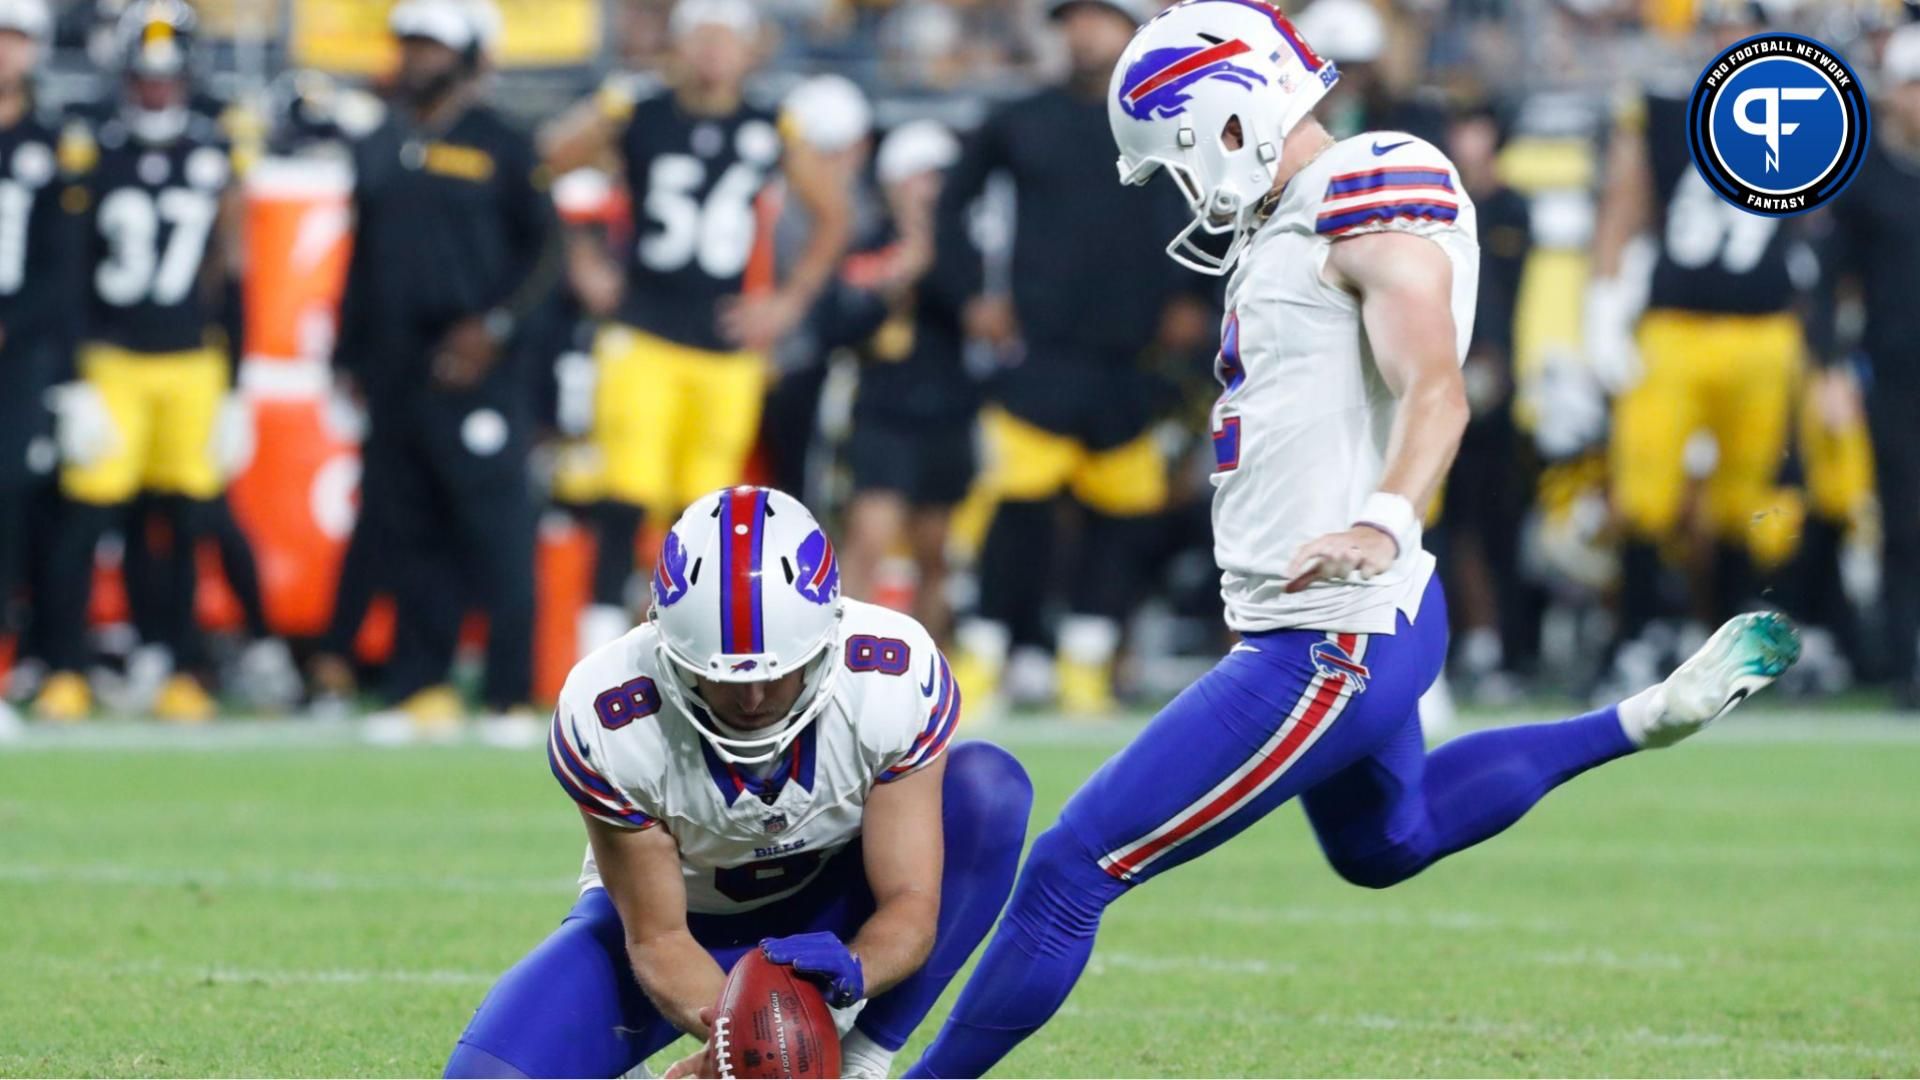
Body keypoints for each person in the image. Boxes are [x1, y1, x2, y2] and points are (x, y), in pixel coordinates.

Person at [904, 3, 1801, 1074]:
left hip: (1326, 637)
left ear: (1228, 121)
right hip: (1364, 619)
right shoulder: (1294, 216)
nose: (1183, 193)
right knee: (1387, 843)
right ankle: (1642, 718)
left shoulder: (1365, 183)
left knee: (1067, 871)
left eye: (1177, 160)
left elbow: (1435, 386)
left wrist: (1382, 516)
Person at [444, 486, 1033, 1080]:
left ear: (827, 638)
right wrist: (747, 1044)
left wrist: (859, 967)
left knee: (988, 790)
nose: (751, 698)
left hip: (832, 912)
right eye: (719, 675)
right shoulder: (610, 711)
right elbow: (658, 936)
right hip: (685, 923)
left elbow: (910, 902)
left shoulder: (890, 673)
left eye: (776, 673)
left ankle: (863, 1061)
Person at [541, 0, 853, 659]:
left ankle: (689, 653)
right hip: (642, 329)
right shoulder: (635, 110)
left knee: (706, 516)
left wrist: (788, 302)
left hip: (726, 343)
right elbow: (542, 168)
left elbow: (833, 216)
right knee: (625, 491)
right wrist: (582, 259)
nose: (714, 52)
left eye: (726, 39)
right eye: (702, 37)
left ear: (750, 49)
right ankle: (598, 653)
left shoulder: (774, 122)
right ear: (678, 45)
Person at [942, 0, 1210, 717]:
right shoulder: (1021, 119)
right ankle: (986, 658)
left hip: (1135, 358)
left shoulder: (1173, 121)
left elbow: (1223, 206)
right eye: (1075, 19)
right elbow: (951, 204)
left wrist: (1197, 297)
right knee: (1015, 514)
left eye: (1102, 17)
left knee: (1121, 522)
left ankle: (1085, 666)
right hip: (1042, 352)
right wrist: (972, 293)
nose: (1087, 32)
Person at [331, 0, 557, 742]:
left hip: (478, 370)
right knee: (409, 527)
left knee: (495, 528)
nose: (416, 57)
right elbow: (363, 258)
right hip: (396, 366)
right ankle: (418, 684)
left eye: (431, 45)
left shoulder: (503, 143)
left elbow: (549, 254)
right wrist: (348, 352)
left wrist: (493, 329)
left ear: (466, 55)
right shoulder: (383, 140)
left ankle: (508, 693)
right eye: (409, 44)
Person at [1585, 0, 1816, 695]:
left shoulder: (1806, 100)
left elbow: (1830, 220)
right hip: (1674, 325)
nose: (1728, 38)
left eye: (1741, 26)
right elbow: (1626, 198)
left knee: (1756, 497)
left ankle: (1743, 643)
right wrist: (1603, 301)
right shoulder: (1663, 103)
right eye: (1717, 26)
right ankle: (1637, 636)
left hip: (1765, 327)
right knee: (1643, 490)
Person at [34, 0, 246, 724]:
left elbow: (231, 267)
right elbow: (65, 270)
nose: (156, 87)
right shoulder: (92, 144)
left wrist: (236, 382)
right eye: (145, 74)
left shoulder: (216, 144)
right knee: (86, 519)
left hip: (191, 360)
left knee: (184, 521)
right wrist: (69, 379)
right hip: (112, 358)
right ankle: (63, 663)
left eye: (167, 74)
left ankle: (177, 663)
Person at [1811, 21, 1920, 708]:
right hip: (1897, 371)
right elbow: (1826, 280)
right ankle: (1904, 658)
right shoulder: (1870, 176)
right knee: (1906, 520)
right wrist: (1829, 366)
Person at [840, 120, 972, 645]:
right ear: (894, 182)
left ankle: (928, 671)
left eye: (940, 177)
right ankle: (842, 659)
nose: (932, 189)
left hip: (948, 411)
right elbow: (840, 325)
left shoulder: (964, 250)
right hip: (884, 412)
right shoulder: (867, 245)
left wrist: (934, 262)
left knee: (936, 552)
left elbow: (982, 319)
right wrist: (896, 276)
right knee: (868, 540)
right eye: (922, 176)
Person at [0, 0, 69, 731]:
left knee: (11, 503)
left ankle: (7, 669)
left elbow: (62, 267)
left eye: (14, 38)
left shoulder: (51, 145)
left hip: (18, 356)